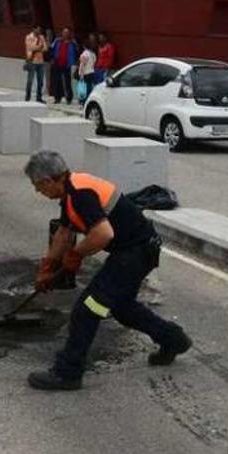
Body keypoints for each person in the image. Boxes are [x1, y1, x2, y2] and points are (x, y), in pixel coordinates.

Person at [23, 150, 192, 391]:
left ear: (48, 181)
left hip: (135, 253)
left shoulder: (80, 194)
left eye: (37, 186)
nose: (37, 191)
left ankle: (67, 373)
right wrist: (48, 266)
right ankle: (173, 340)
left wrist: (75, 254)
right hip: (135, 250)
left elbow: (103, 234)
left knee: (87, 309)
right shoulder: (71, 190)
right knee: (122, 308)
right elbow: (64, 233)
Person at [49, 28, 79, 105]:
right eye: (64, 32)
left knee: (67, 82)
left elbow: (77, 52)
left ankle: (69, 98)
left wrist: (75, 62)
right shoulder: (57, 41)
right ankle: (57, 98)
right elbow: (51, 50)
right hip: (57, 63)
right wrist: (52, 59)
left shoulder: (72, 43)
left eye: (67, 33)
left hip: (67, 65)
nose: (65, 34)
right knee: (57, 81)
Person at [24, 25, 48, 103]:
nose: (38, 31)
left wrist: (39, 47)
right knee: (30, 80)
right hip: (32, 61)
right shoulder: (29, 37)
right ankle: (27, 97)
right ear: (33, 29)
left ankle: (39, 97)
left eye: (39, 30)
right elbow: (30, 47)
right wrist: (39, 47)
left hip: (40, 61)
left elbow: (45, 48)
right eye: (37, 30)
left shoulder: (42, 37)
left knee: (40, 81)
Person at [77, 34, 98, 104]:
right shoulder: (93, 54)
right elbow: (94, 62)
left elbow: (82, 65)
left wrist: (81, 75)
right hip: (92, 72)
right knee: (89, 87)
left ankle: (83, 101)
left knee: (83, 88)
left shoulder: (84, 54)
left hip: (85, 73)